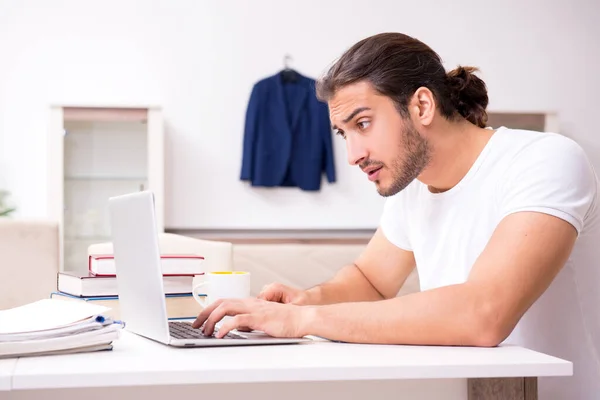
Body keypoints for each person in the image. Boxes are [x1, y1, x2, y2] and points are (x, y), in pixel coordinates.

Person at [193, 32, 600, 399]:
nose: (352, 155)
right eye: (344, 134)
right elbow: (370, 281)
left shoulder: (544, 160)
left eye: (363, 124)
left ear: (422, 105)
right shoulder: (414, 189)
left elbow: (484, 315)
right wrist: (305, 298)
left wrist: (303, 318)